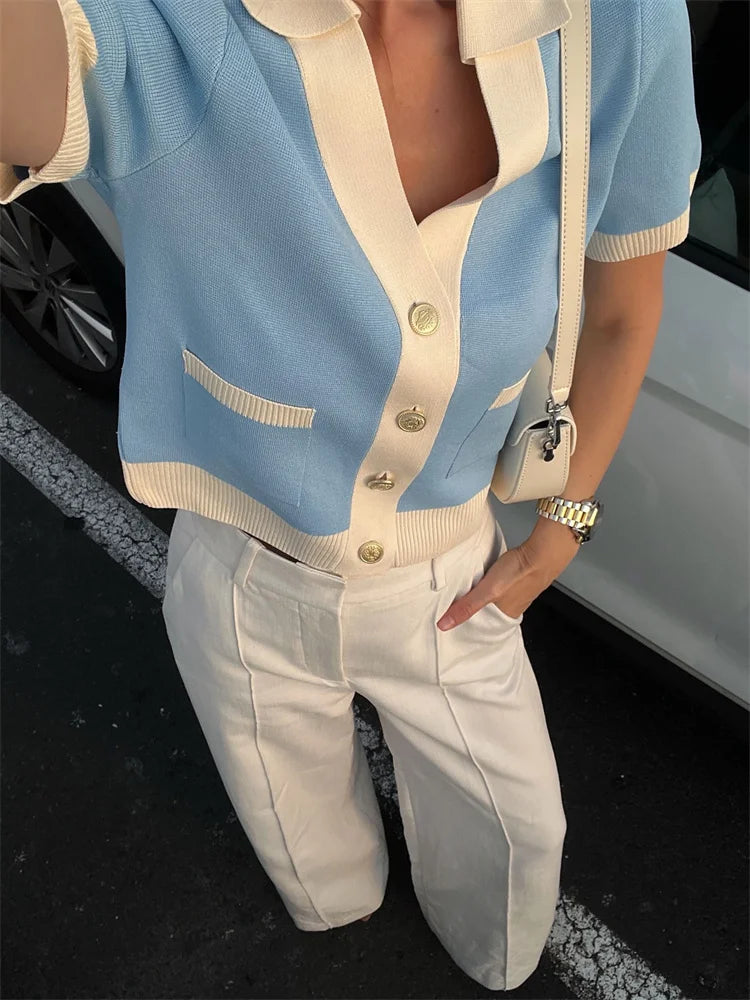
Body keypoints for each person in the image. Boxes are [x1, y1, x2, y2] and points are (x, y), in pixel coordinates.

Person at [0, 0, 702, 990]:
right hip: (241, 565)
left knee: (515, 837)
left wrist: (565, 522)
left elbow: (625, 307)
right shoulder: (165, 20)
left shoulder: (619, 21)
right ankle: (337, 904)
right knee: (299, 835)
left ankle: (491, 954)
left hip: (449, 570)